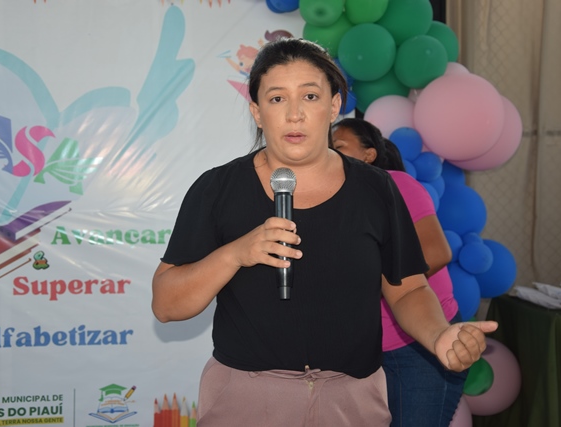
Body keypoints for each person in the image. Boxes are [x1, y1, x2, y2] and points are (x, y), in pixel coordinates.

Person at [152, 38, 497, 427]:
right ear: (257, 112)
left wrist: (438, 335)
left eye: (310, 96)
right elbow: (166, 305)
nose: (294, 114)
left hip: (351, 399)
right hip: (245, 397)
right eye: (277, 99)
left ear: (334, 106)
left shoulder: (377, 189)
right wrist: (235, 254)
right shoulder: (217, 189)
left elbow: (408, 290)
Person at [332, 118, 467, 427]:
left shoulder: (395, 184)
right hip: (372, 352)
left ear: (368, 155)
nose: (330, 153)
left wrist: (365, 286)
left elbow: (437, 253)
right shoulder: (336, 202)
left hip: (420, 347)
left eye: (338, 146)